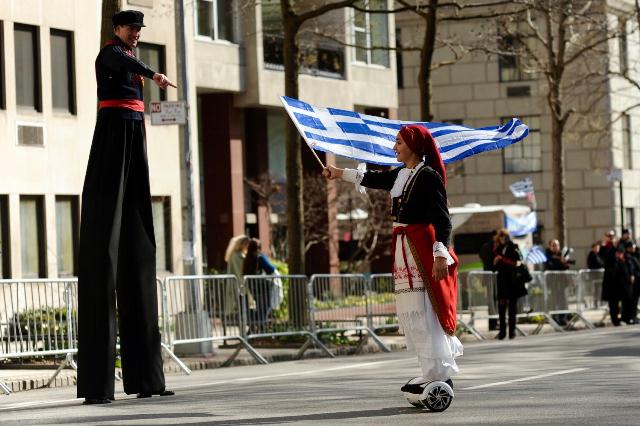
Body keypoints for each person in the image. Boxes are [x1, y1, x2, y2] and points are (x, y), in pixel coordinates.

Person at [77, 10, 176, 404]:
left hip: (135, 133)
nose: (136, 34)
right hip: (114, 133)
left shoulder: (127, 52)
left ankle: (147, 378)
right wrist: (154, 76)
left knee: (139, 248)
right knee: (104, 248)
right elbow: (126, 62)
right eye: (131, 28)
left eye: (138, 29)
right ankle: (99, 385)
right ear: (117, 29)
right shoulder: (111, 54)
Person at [322, 124, 462, 394]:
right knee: (413, 310)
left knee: (426, 308)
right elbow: (374, 179)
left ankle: (439, 372)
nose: (394, 147)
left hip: (421, 247)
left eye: (398, 142)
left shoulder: (428, 176)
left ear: (412, 145)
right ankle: (427, 371)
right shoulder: (402, 174)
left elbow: (443, 219)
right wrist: (338, 174)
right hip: (405, 247)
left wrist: (440, 254)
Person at [493, 229, 527, 339]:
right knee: (502, 308)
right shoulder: (497, 248)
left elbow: (518, 261)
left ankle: (512, 332)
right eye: (501, 236)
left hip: (512, 281)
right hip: (502, 281)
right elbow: (493, 265)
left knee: (512, 308)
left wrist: (502, 259)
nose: (503, 238)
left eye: (505, 236)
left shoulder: (513, 246)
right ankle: (502, 332)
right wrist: (495, 261)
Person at [243, 239, 276, 333]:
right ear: (259, 248)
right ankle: (261, 331)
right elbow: (271, 269)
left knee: (259, 309)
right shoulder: (260, 258)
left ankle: (253, 330)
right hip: (263, 288)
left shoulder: (247, 259)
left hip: (252, 288)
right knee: (264, 308)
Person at [600, 230, 623, 325]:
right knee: (612, 300)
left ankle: (620, 316)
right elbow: (605, 257)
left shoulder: (618, 246)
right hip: (610, 278)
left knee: (619, 299)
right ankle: (615, 319)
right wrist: (612, 246)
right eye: (609, 235)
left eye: (612, 235)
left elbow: (622, 255)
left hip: (618, 277)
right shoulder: (604, 248)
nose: (611, 237)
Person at [223, 235, 250, 315]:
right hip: (238, 285)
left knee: (245, 307)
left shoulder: (242, 255)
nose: (247, 246)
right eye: (246, 243)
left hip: (242, 285)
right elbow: (239, 271)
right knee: (242, 308)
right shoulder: (235, 255)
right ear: (240, 244)